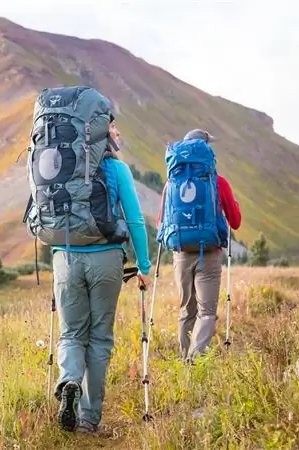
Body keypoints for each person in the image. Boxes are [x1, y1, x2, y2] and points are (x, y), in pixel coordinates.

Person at [51, 117, 152, 434]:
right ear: (100, 133)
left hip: (65, 257)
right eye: (113, 127)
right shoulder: (118, 169)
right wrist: (145, 266)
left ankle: (68, 380)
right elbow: (135, 220)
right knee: (99, 338)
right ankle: (88, 419)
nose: (118, 131)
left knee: (71, 334)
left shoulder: (61, 165)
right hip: (107, 259)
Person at [155, 128, 241, 363]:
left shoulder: (171, 183)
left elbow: (160, 221)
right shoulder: (218, 182)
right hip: (209, 253)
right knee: (207, 312)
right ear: (207, 151)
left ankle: (185, 360)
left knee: (186, 310)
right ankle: (196, 360)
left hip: (181, 253)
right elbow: (235, 221)